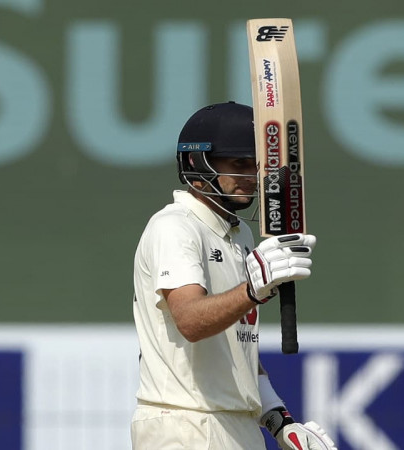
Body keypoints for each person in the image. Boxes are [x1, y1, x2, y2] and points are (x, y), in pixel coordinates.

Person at [131, 101, 336, 450]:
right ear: (198, 163)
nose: (250, 176)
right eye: (238, 164)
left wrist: (279, 421)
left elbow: (237, 350)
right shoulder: (175, 227)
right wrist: (253, 290)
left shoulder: (240, 234)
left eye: (254, 165)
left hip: (236, 423)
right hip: (185, 423)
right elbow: (191, 321)